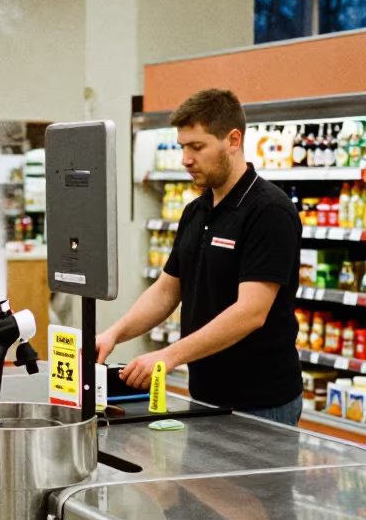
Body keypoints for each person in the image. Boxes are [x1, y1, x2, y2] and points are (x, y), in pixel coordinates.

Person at [97, 88, 303, 426]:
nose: (186, 160)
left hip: (260, 403)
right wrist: (114, 334)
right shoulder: (196, 211)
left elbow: (251, 312)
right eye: (182, 147)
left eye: (197, 147)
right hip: (204, 394)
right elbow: (167, 290)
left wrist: (169, 356)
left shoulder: (269, 210)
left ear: (233, 140)